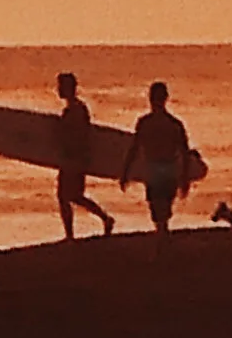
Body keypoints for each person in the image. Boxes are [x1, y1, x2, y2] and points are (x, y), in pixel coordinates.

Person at [119, 81, 193, 234]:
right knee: (161, 213)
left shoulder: (149, 123)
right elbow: (184, 152)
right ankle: (163, 240)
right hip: (164, 170)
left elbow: (135, 149)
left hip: (158, 170)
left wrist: (125, 173)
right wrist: (185, 178)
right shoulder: (172, 124)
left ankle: (162, 241)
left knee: (159, 213)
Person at [52, 71, 114, 240]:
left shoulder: (76, 110)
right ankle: (105, 219)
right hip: (72, 158)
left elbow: (81, 135)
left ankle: (71, 235)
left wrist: (76, 156)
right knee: (73, 196)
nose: (58, 90)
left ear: (69, 88)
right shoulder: (75, 109)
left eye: (61, 86)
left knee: (66, 197)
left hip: (74, 158)